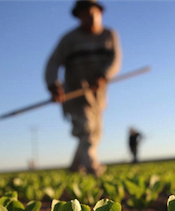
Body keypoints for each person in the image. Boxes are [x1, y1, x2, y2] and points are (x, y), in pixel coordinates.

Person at [45, 0, 122, 176]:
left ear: (100, 13)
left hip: (98, 95)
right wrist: (53, 84)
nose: (90, 17)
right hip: (75, 94)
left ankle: (74, 168)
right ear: (78, 16)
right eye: (85, 14)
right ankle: (92, 168)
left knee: (95, 132)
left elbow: (115, 60)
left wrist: (104, 75)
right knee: (86, 129)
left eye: (92, 13)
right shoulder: (69, 39)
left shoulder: (109, 35)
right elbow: (53, 62)